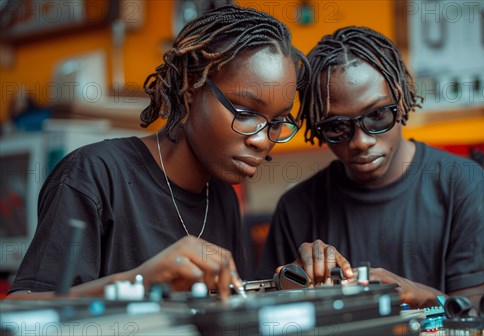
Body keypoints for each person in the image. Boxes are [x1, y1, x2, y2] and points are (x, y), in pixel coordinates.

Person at [7, 5, 309, 300]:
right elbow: (19, 309)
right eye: (244, 112)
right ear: (191, 90)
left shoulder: (222, 195)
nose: (261, 140)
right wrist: (141, 282)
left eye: (277, 122)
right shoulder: (94, 175)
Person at [256, 26, 484, 308]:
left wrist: (420, 296)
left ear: (401, 100)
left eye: (377, 115)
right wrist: (293, 285)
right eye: (337, 127)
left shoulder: (460, 183)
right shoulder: (296, 208)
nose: (361, 141)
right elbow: (267, 315)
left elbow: (477, 315)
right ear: (318, 130)